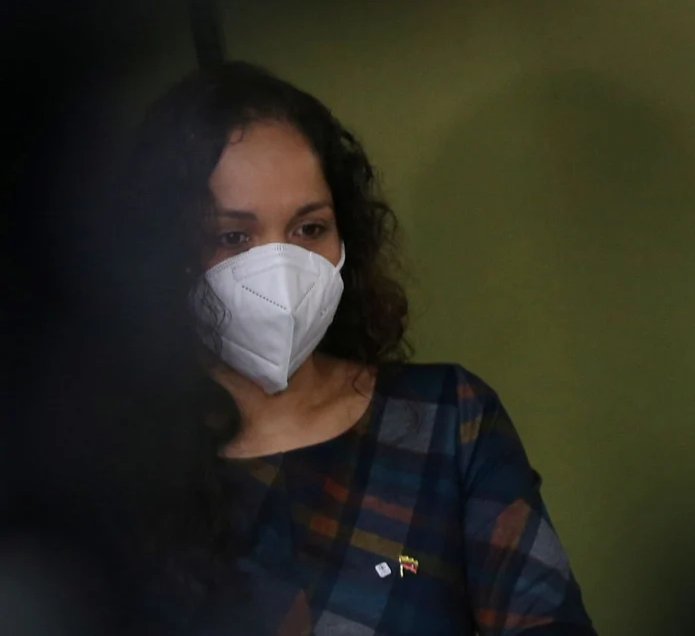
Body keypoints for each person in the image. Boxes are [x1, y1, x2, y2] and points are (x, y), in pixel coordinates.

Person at [121, 62, 594, 635]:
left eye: (309, 229)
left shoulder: (446, 423)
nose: (280, 267)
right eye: (233, 237)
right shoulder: (117, 479)